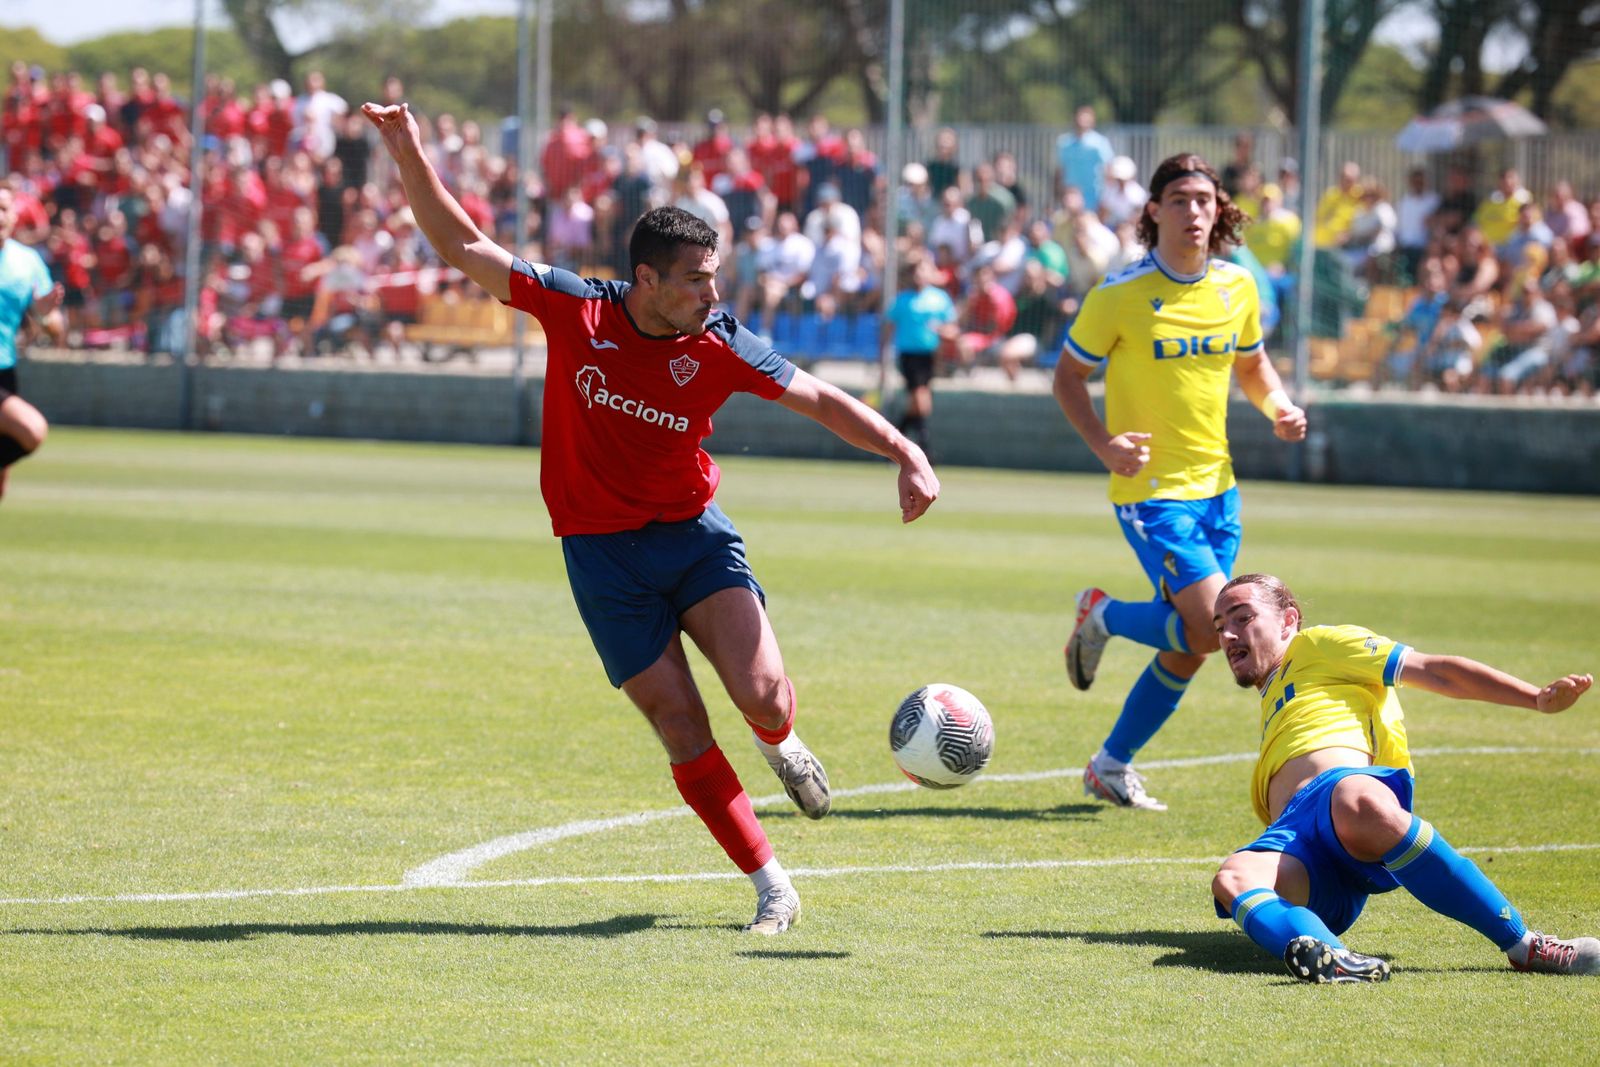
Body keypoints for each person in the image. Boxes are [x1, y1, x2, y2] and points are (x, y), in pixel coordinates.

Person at [363, 100, 939, 934]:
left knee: (766, 693)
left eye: (716, 275)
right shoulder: (575, 310)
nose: (714, 290)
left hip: (693, 536)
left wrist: (904, 452)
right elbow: (460, 244)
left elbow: (816, 397)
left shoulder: (721, 342)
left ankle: (781, 744)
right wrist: (409, 149)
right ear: (649, 280)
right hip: (601, 556)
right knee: (680, 720)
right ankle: (772, 883)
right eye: (698, 278)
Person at [1054, 153, 1307, 811]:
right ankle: (1102, 615)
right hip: (1152, 493)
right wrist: (1104, 445)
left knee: (1194, 645)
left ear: (1219, 211)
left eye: (1205, 200)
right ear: (1154, 211)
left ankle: (1109, 763)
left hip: (1219, 492)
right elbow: (1067, 377)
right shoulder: (1118, 295)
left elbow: (1252, 367)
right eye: (1181, 199)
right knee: (1213, 628)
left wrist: (1278, 407)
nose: (1194, 212)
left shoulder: (1237, 287)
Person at [1210, 572, 1598, 983]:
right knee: (1232, 876)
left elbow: (1434, 670)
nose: (1229, 636)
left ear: (1289, 621)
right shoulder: (1273, 695)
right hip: (1298, 840)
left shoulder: (1318, 646)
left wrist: (1535, 698)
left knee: (1355, 798)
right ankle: (1337, 959)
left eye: (1242, 618)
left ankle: (1526, 945)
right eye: (1220, 627)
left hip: (1346, 809)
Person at [0, 186, 63, 502]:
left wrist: (45, 314)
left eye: (5, 208)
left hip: (6, 370)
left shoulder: (26, 262)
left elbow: (48, 319)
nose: (1, 215)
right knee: (32, 429)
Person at [884, 254, 957, 452]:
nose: (919, 274)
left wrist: (942, 330)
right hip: (909, 356)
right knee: (921, 401)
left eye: (923, 269)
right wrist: (882, 358)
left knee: (917, 405)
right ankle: (925, 449)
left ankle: (893, 444)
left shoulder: (939, 299)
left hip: (930, 356)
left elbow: (952, 330)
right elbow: (887, 329)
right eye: (915, 270)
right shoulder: (902, 300)